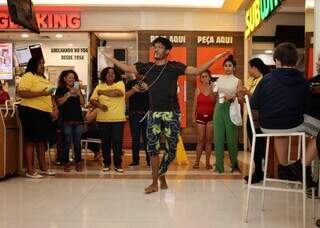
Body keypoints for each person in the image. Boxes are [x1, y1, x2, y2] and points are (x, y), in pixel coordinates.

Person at [105, 36, 229, 194]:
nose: (156, 49)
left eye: (160, 47)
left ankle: (161, 173)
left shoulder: (174, 67)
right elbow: (128, 68)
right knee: (153, 150)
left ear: (167, 51)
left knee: (171, 151)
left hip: (172, 113)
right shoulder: (148, 67)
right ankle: (155, 182)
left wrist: (216, 57)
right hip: (154, 113)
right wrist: (111, 58)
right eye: (154, 47)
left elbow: (197, 71)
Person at [250, 42, 319, 187]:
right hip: (292, 124)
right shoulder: (302, 81)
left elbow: (253, 104)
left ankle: (284, 167)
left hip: (267, 126)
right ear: (294, 61)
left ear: (278, 61)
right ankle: (301, 165)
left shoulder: (266, 79)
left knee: (281, 125)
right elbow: (306, 107)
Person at [17, 57, 58, 178]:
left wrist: (55, 107)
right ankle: (30, 170)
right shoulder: (28, 76)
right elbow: (22, 93)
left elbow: (50, 95)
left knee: (41, 141)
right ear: (33, 64)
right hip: (30, 111)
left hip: (44, 113)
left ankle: (43, 168)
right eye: (40, 63)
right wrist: (41, 93)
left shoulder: (43, 78)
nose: (42, 66)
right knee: (30, 140)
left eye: (43, 63)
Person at [239, 58, 270, 183]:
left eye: (249, 67)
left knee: (260, 144)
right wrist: (241, 96)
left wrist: (247, 93)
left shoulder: (265, 79)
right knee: (254, 144)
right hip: (250, 117)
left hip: (261, 117)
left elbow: (260, 100)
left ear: (254, 67)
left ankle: (263, 170)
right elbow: (247, 101)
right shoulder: (251, 80)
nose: (248, 70)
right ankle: (258, 170)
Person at [90, 67, 126, 173]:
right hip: (103, 119)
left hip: (118, 119)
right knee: (105, 142)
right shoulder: (99, 86)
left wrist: (102, 92)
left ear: (116, 75)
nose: (110, 75)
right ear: (104, 75)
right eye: (108, 73)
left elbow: (118, 93)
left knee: (117, 142)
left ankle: (118, 164)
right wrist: (100, 106)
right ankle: (106, 163)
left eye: (113, 73)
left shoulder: (120, 84)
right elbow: (92, 100)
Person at [214, 55, 243, 173]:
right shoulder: (218, 80)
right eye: (225, 65)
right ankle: (219, 166)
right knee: (218, 138)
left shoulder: (238, 81)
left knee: (232, 138)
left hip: (231, 109)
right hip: (219, 108)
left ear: (234, 68)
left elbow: (241, 98)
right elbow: (214, 95)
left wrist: (232, 96)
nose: (227, 68)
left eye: (230, 66)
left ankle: (234, 164)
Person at [55, 70, 85, 172]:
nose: (72, 79)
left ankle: (78, 163)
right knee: (66, 142)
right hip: (66, 120)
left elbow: (82, 103)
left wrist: (79, 93)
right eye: (70, 77)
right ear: (64, 79)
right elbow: (59, 102)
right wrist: (69, 94)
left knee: (77, 142)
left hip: (78, 119)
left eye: (73, 78)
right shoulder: (61, 89)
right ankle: (66, 162)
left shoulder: (77, 89)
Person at [125, 63, 150, 167]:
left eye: (139, 71)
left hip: (147, 115)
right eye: (135, 71)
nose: (137, 73)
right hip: (134, 115)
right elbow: (125, 97)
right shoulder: (130, 83)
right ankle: (135, 160)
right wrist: (133, 90)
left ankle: (150, 160)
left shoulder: (150, 82)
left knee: (147, 139)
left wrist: (148, 88)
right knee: (135, 138)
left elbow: (157, 96)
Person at [192, 70, 215, 169]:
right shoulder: (198, 89)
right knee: (200, 139)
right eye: (202, 77)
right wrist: (193, 117)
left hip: (211, 117)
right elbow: (194, 105)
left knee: (209, 140)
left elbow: (214, 101)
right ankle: (197, 161)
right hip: (200, 117)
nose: (204, 78)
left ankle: (207, 162)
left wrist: (211, 89)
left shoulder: (213, 89)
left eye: (206, 76)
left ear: (209, 78)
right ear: (200, 79)